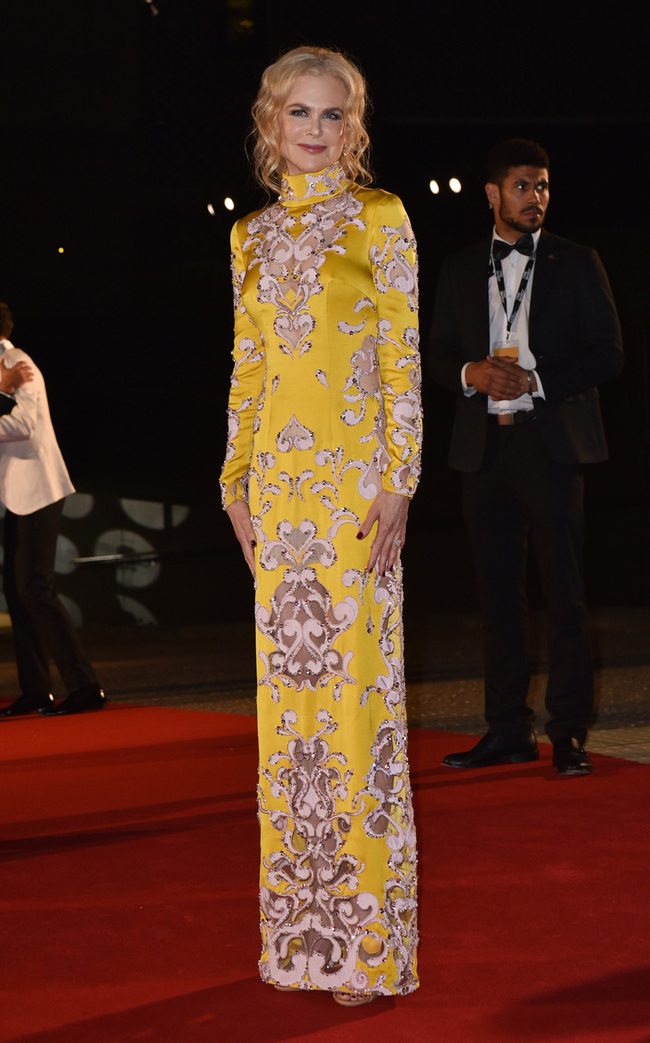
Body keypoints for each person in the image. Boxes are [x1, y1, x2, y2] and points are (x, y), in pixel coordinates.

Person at [220, 47, 422, 1004]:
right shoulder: (250, 238)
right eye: (297, 113)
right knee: (289, 719)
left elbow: (402, 356)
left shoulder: (381, 219)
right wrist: (233, 478)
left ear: (355, 124)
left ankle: (368, 947)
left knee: (355, 712)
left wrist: (400, 479)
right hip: (280, 501)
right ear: (270, 125)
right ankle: (304, 940)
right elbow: (249, 365)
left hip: (353, 499)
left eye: (331, 115)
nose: (314, 129)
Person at [429, 138, 623, 776]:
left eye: (542, 185)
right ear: (492, 194)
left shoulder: (578, 261)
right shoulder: (458, 267)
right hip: (482, 451)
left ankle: (567, 734)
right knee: (498, 599)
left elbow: (608, 353)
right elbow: (430, 358)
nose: (535, 197)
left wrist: (536, 381)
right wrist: (472, 374)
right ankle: (506, 730)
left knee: (564, 594)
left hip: (551, 443)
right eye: (522, 186)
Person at [0, 302, 107, 718]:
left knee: (35, 589)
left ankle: (85, 686)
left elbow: (25, 423)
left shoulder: (16, 361)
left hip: (39, 488)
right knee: (17, 591)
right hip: (18, 493)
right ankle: (36, 690)